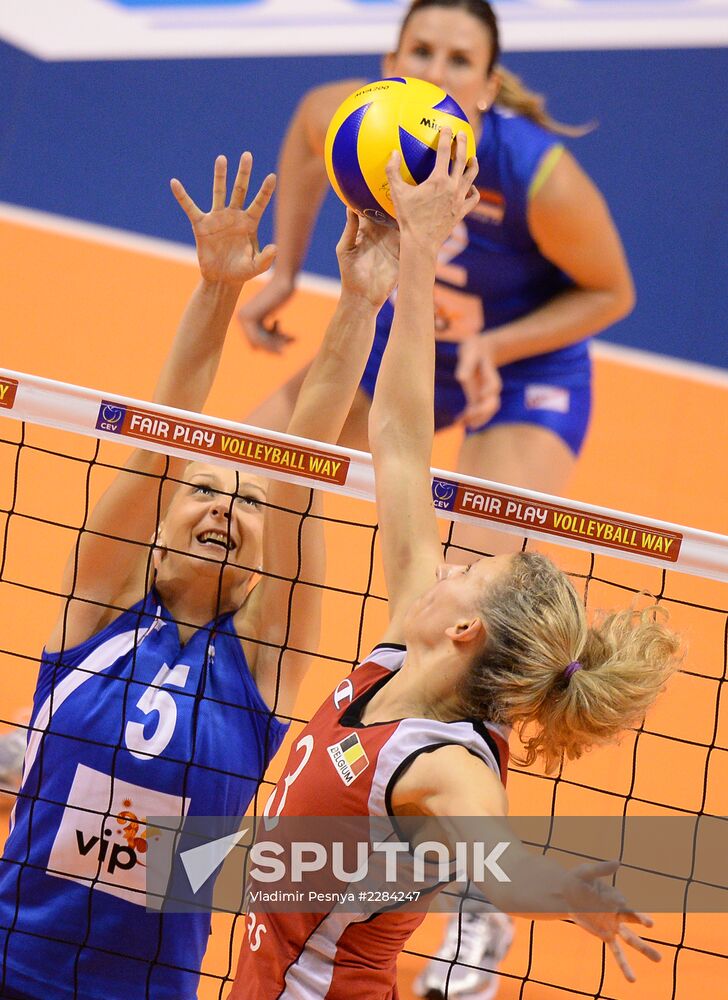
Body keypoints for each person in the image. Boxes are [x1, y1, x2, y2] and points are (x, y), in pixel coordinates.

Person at [228, 130, 680, 1000]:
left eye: (464, 575)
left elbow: (499, 865)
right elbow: (400, 442)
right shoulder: (404, 644)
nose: (444, 569)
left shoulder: (448, 764)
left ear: (466, 627)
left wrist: (564, 894)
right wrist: (416, 259)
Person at [0, 152, 401, 999]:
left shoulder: (261, 669)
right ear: (156, 532)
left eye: (246, 503)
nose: (224, 507)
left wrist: (363, 298)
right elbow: (160, 442)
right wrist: (219, 290)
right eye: (205, 491)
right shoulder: (96, 613)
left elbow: (305, 467)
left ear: (265, 562)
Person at [239, 0, 634, 560]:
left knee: (467, 595)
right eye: (421, 52)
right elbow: (309, 129)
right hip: (397, 346)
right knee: (232, 485)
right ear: (390, 61)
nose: (434, 74)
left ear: (488, 87)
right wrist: (285, 275)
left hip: (517, 374)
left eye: (459, 60)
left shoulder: (537, 176)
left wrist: (496, 345)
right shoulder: (354, 122)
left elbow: (612, 292)